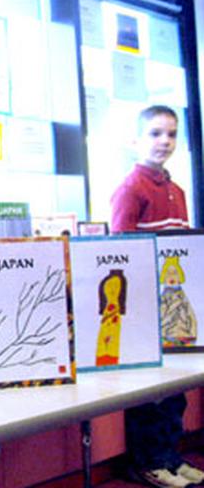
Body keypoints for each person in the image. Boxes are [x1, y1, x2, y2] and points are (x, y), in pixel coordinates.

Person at [111, 105, 201, 488]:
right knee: (150, 394)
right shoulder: (130, 189)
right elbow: (119, 252)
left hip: (173, 311)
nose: (164, 141)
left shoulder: (177, 190)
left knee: (174, 391)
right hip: (145, 312)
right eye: (155, 133)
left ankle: (169, 456)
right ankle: (147, 461)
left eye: (171, 134)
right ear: (135, 140)